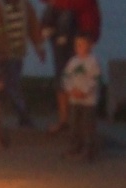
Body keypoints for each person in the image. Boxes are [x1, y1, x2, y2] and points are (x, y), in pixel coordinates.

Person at [0, 0, 46, 127]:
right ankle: (23, 115)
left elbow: (33, 27)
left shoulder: (25, 6)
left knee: (4, 86)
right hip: (0, 54)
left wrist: (39, 47)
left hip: (17, 54)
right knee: (12, 84)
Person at [41, 0, 101, 134]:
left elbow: (83, 5)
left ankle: (79, 121)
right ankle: (64, 120)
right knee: (62, 74)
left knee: (80, 75)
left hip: (80, 33)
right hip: (59, 33)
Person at [62, 32, 101, 162]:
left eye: (82, 44)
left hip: (88, 101)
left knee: (87, 125)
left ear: (89, 45)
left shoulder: (93, 62)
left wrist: (84, 91)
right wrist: (70, 90)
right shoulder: (73, 62)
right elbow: (66, 77)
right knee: (74, 123)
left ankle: (89, 149)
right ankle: (75, 146)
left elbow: (95, 79)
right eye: (77, 44)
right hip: (74, 99)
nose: (79, 47)